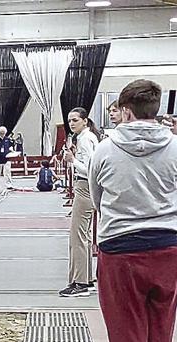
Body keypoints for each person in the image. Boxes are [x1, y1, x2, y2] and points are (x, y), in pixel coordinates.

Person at [88, 79, 177, 342]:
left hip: (121, 250)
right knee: (161, 329)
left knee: (126, 331)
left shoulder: (105, 149)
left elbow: (95, 197)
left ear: (126, 110)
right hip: (167, 247)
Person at [58, 107, 99, 298]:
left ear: (84, 120)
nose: (71, 123)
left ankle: (80, 282)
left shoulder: (85, 139)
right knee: (84, 235)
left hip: (85, 187)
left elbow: (90, 169)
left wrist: (72, 161)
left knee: (78, 235)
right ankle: (86, 279)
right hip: (84, 187)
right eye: (69, 120)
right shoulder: (84, 138)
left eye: (75, 120)